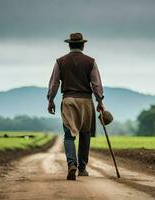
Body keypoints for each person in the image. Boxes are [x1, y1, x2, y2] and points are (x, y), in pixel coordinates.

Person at [47, 32, 104, 180]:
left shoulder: (60, 61)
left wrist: (51, 100)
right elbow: (96, 85)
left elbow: (54, 83)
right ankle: (82, 168)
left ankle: (71, 164)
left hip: (68, 101)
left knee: (69, 135)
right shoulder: (91, 62)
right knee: (85, 135)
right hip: (86, 101)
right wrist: (100, 102)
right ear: (83, 45)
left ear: (69, 45)